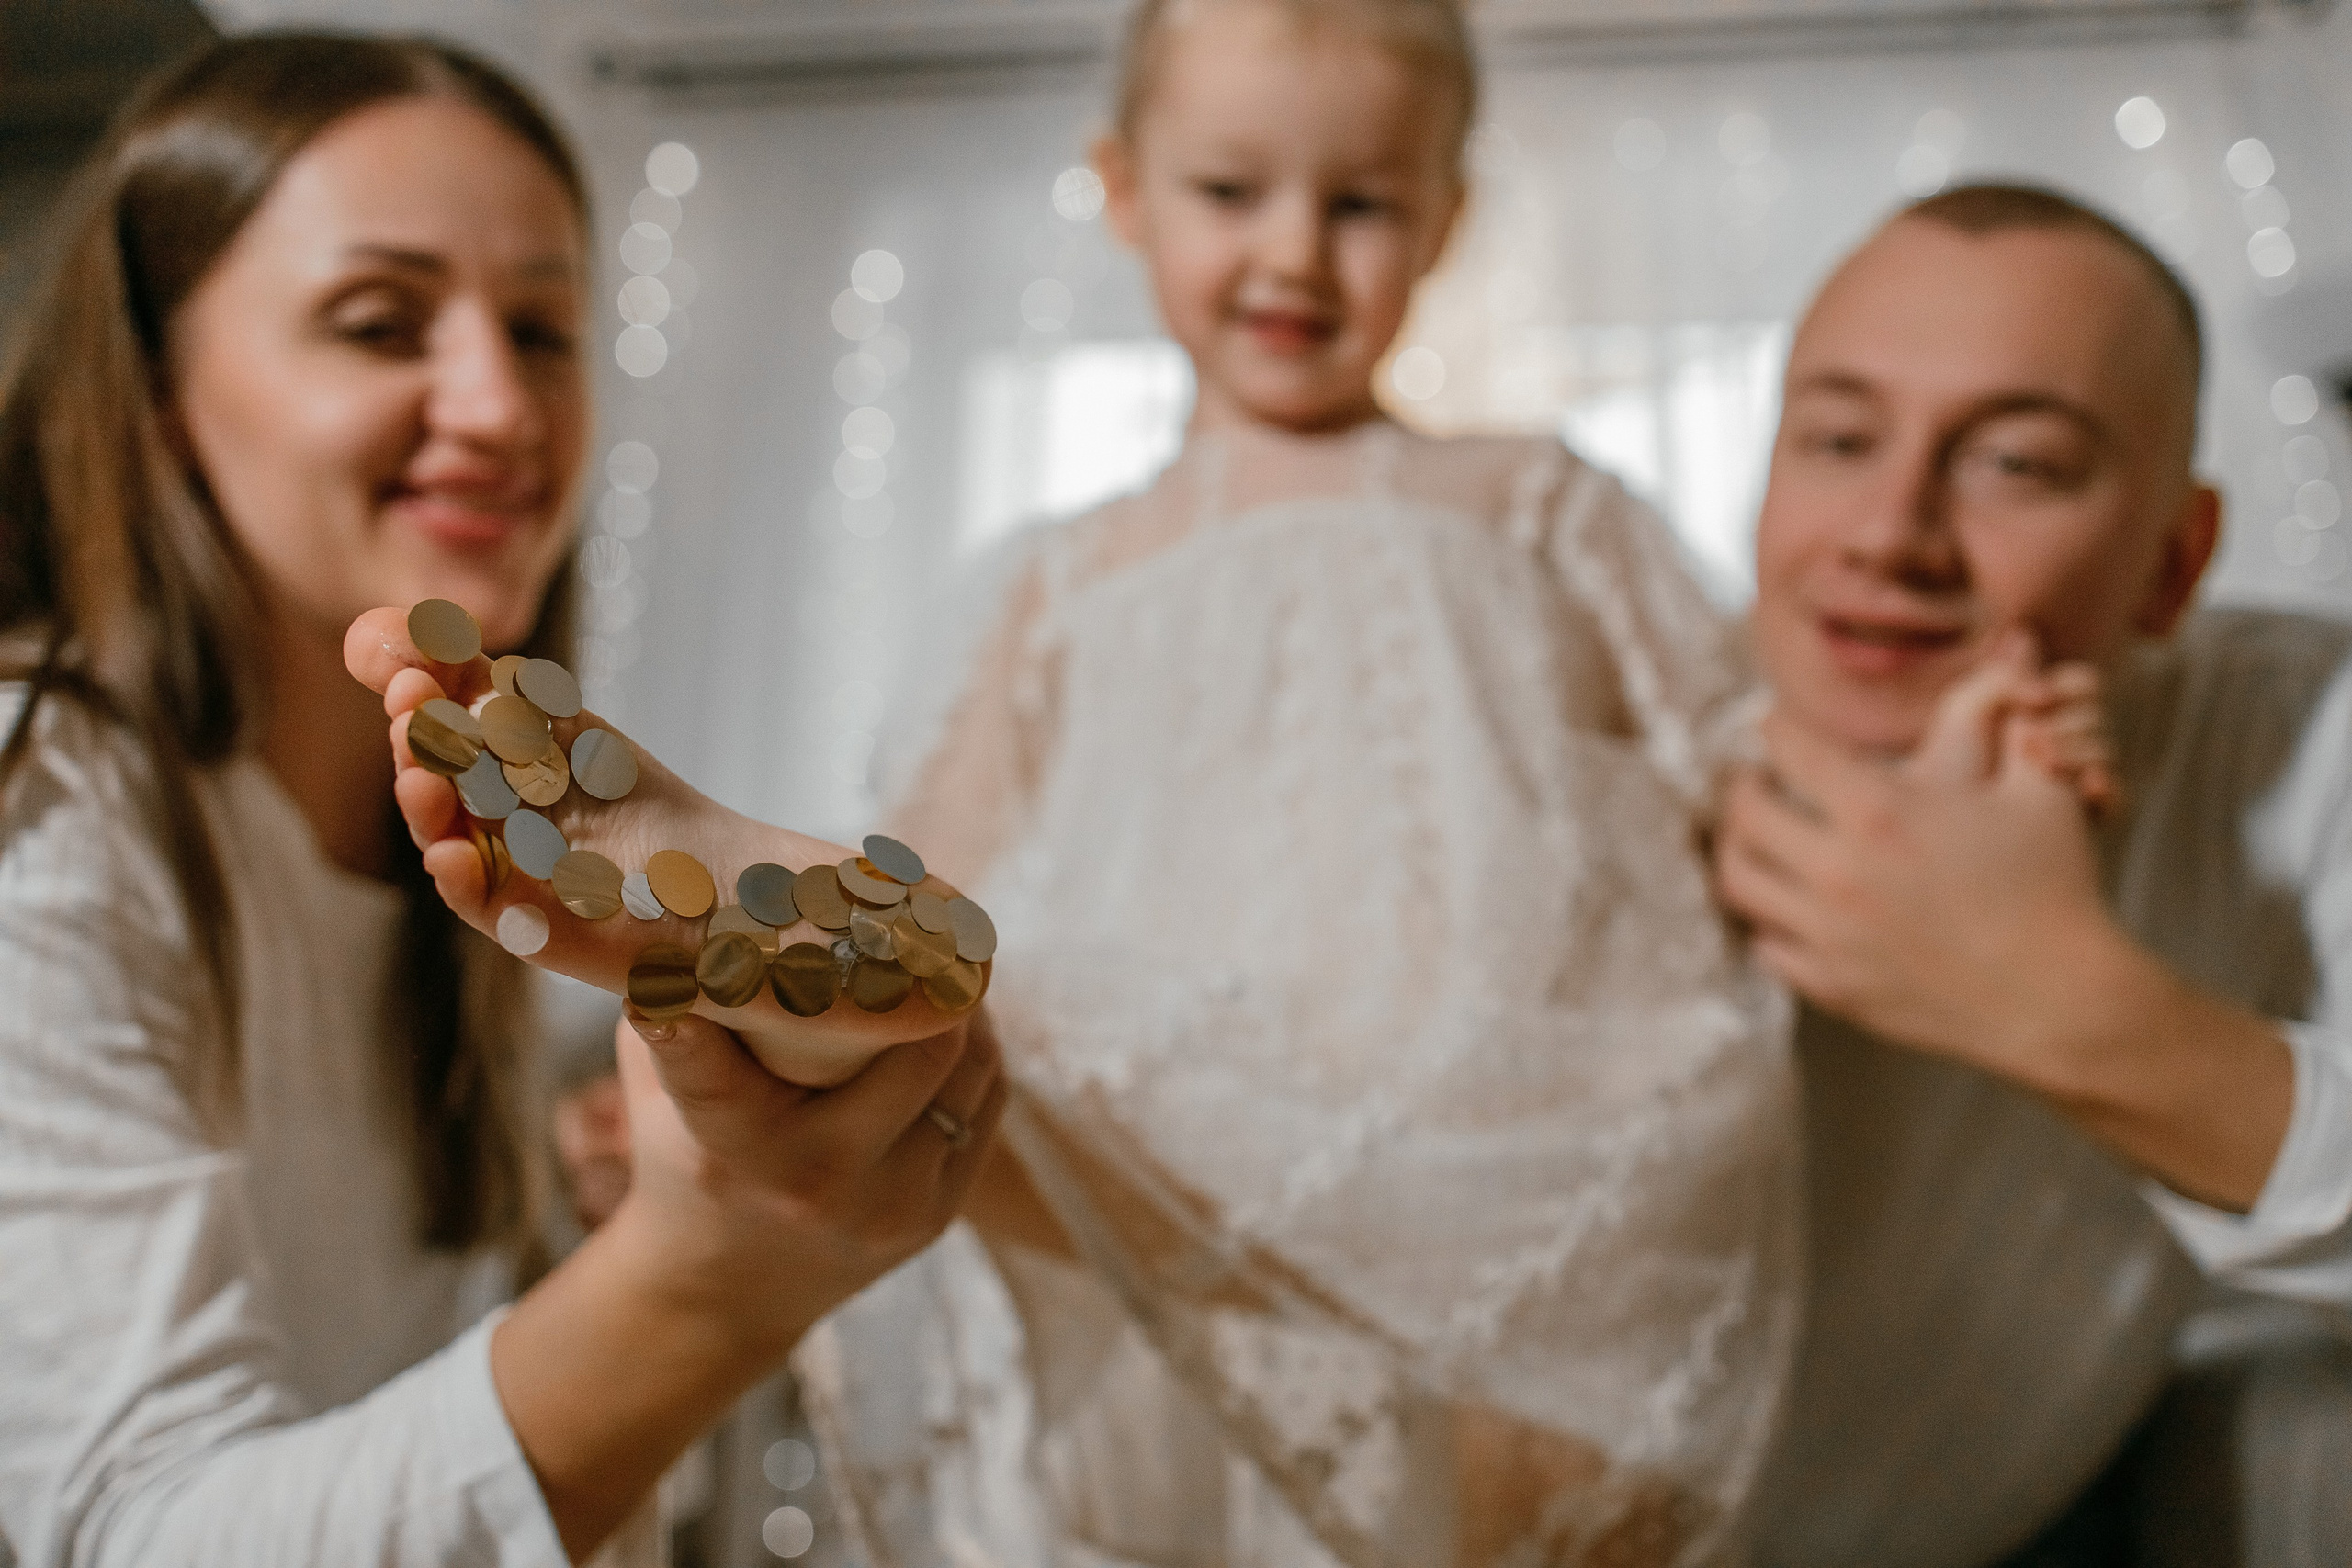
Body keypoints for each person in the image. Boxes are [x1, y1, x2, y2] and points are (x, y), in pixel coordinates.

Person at [0, 34, 1001, 1568]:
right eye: (379, 321)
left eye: (541, 331)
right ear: (155, 392)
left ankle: (789, 967)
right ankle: (780, 956)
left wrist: (595, 1220)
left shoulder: (457, 862)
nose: (499, 405)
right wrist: (694, 1284)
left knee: (872, 1032)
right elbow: (136, 1539)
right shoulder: (34, 797)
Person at [1713, 184, 2352, 1566]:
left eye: (2016, 464)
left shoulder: (2301, 730)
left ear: (2173, 565)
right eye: (1836, 441)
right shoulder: (1601, 739)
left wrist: (2052, 998)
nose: (1889, 535)